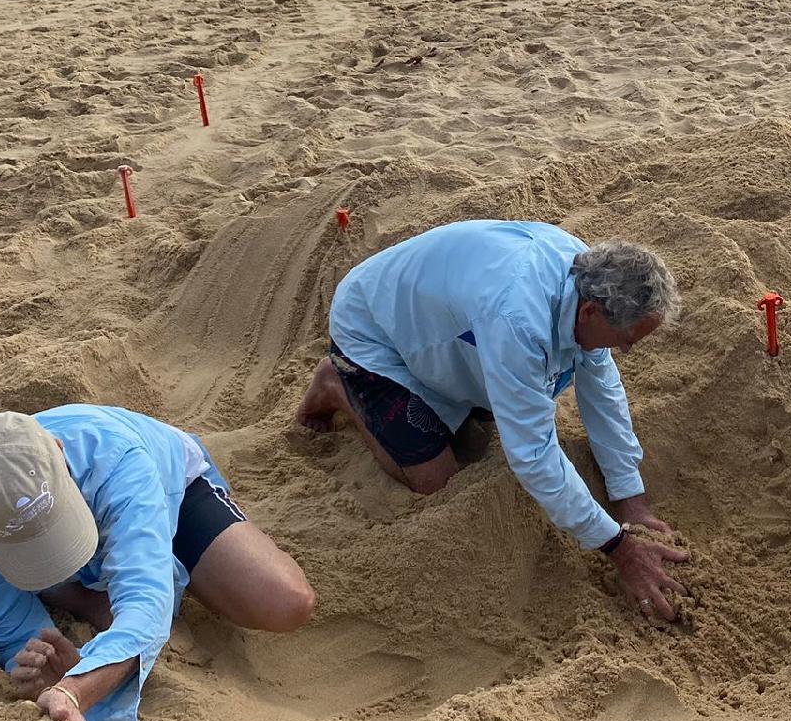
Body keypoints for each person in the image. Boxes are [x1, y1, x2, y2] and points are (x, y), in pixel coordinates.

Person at [296, 219, 690, 622]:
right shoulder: (519, 318)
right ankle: (336, 383)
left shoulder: (589, 279)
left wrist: (630, 499)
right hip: (373, 330)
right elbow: (533, 455)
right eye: (626, 338)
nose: (625, 349)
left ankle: (436, 394)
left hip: (446, 328)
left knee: (496, 417)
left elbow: (602, 388)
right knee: (438, 482)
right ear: (590, 310)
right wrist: (620, 549)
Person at [0, 403, 315, 721]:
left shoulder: (116, 459)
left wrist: (75, 690)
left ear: (60, 452)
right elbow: (14, 635)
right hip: (80, 532)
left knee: (286, 602)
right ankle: (66, 588)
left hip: (169, 494)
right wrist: (43, 674)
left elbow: (146, 605)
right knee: (114, 624)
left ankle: (67, 588)